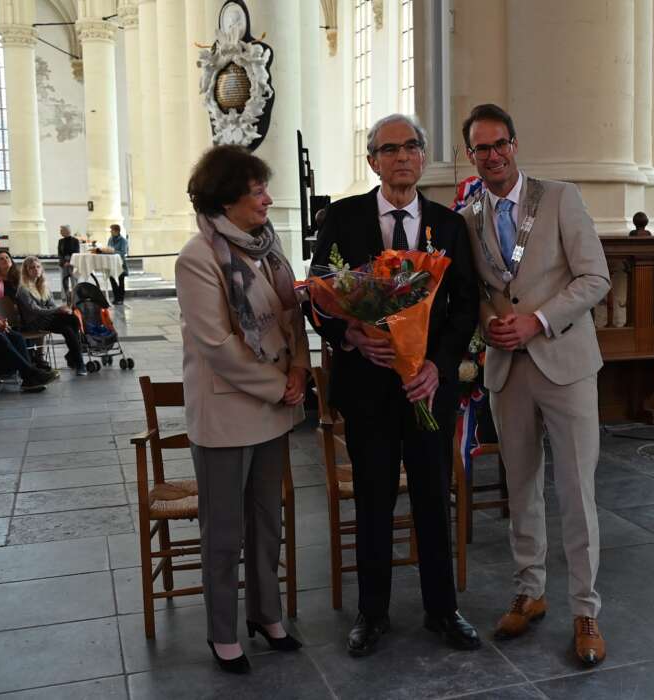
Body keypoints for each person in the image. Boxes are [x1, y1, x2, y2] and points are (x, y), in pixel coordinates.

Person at [308, 114, 481, 657]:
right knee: (374, 499)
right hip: (368, 387)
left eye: (411, 147)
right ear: (372, 161)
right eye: (390, 149)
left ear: (423, 157)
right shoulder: (342, 218)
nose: (402, 156)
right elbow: (319, 295)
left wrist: (438, 367)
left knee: (432, 496)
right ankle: (372, 612)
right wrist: (352, 336)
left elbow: (465, 306)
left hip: (426, 389)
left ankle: (442, 609)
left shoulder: (449, 225)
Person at [460, 103, 612, 666]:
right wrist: (489, 324)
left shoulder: (560, 198)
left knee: (576, 490)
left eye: (501, 144)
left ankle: (586, 610)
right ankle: (530, 591)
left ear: (515, 145)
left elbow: (595, 277)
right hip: (508, 369)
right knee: (521, 488)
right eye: (482, 148)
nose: (493, 155)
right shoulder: (468, 216)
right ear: (471, 156)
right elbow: (477, 291)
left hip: (564, 361)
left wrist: (539, 320)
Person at [177, 145, 309, 674]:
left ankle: (267, 615)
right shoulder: (198, 257)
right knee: (225, 530)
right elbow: (218, 345)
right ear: (227, 200)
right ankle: (222, 632)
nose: (268, 200)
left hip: (274, 407)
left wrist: (301, 369)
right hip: (229, 413)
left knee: (266, 521)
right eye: (257, 192)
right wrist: (280, 385)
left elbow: (292, 317)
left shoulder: (268, 249)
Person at [0, 273, 57, 393]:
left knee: (17, 337)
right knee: (0, 338)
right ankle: (31, 373)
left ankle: (28, 380)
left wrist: (0, 320)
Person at [15, 256, 87, 376]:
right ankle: (77, 362)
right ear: (26, 271)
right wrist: (57, 310)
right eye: (32, 268)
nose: (36, 269)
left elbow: (51, 305)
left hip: (48, 318)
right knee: (68, 328)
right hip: (35, 322)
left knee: (73, 320)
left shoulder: (43, 286)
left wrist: (61, 310)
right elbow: (35, 310)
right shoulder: (23, 289)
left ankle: (75, 358)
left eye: (38, 267)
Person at [100, 224, 129, 303]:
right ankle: (116, 298)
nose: (111, 232)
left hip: (120, 264)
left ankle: (121, 299)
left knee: (121, 281)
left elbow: (123, 252)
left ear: (117, 231)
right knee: (112, 280)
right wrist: (105, 250)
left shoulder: (123, 240)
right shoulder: (110, 239)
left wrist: (113, 251)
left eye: (112, 230)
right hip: (111, 264)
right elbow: (108, 248)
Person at [57, 225, 80, 300]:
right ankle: (66, 298)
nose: (60, 232)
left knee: (74, 282)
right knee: (64, 282)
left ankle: (75, 298)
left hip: (73, 263)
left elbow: (77, 252)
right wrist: (64, 262)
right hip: (63, 264)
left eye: (61, 230)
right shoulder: (60, 241)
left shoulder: (75, 240)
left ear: (67, 231)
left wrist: (70, 262)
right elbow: (60, 254)